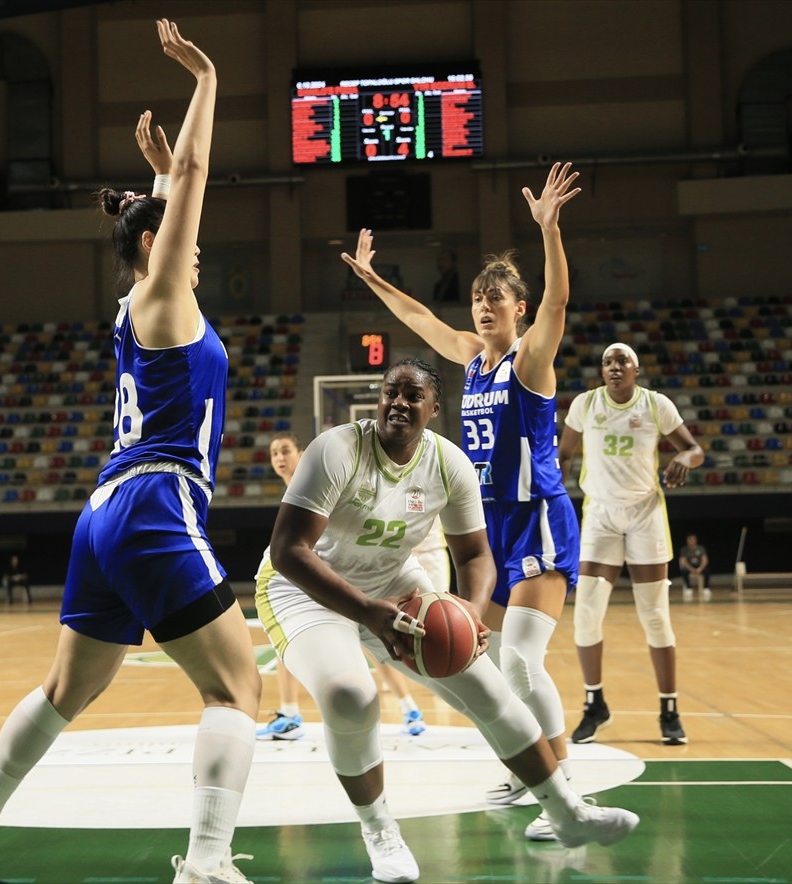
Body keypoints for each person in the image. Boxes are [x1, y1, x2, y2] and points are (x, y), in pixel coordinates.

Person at [0, 21, 260, 884]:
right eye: (175, 237)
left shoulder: (137, 308)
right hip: (155, 502)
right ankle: (208, 862)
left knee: (66, 690)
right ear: (155, 249)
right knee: (237, 688)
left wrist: (151, 184)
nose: (194, 243)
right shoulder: (162, 298)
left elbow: (162, 208)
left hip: (103, 512)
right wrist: (207, 79)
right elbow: (187, 187)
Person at [260, 358, 638, 883]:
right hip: (302, 588)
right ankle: (380, 831)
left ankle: (565, 812)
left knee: (488, 687)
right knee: (352, 697)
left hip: (390, 579)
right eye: (391, 392)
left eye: (413, 396)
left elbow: (477, 557)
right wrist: (370, 614)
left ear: (434, 410)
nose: (399, 402)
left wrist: (470, 613)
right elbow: (288, 550)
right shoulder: (337, 449)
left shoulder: (449, 463)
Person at [342, 163, 583, 837]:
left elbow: (560, 304)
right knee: (495, 665)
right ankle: (523, 766)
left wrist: (549, 232)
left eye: (497, 298)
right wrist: (373, 279)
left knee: (522, 663)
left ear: (519, 311)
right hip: (488, 530)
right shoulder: (473, 357)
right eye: (479, 296)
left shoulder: (531, 359)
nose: (483, 305)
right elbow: (419, 315)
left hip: (536, 519)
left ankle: (561, 785)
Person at [557, 342, 705, 747]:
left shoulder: (656, 405)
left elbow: (695, 449)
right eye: (607, 361)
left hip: (644, 514)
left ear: (636, 370)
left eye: (622, 360)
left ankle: (669, 711)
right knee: (585, 612)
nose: (614, 366)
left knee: (655, 616)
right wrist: (551, 502)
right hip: (601, 515)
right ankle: (594, 704)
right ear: (602, 371)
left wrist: (684, 460)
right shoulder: (586, 405)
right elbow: (564, 455)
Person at [256, 432, 428, 741]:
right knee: (290, 638)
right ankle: (290, 711)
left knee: (370, 638)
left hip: (345, 568)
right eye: (274, 454)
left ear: (302, 453)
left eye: (285, 451)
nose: (279, 458)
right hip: (319, 572)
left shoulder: (324, 479)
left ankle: (408, 705)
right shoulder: (295, 490)